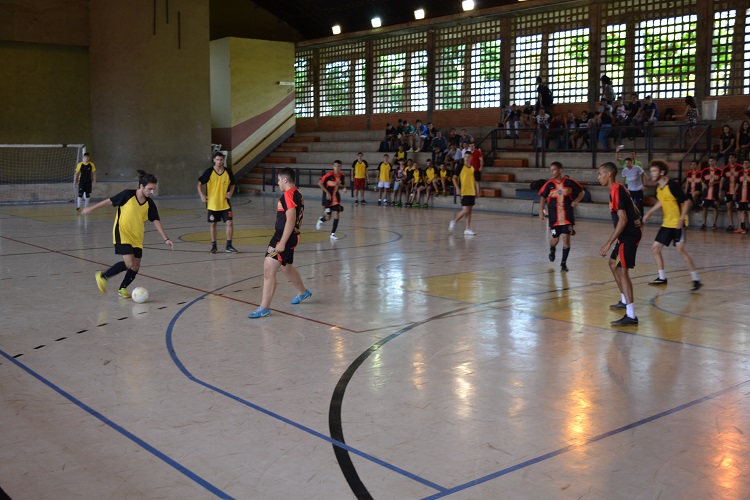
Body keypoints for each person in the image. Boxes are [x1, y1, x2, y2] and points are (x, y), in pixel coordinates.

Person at [82, 170, 174, 298]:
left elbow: (156, 220)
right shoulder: (127, 195)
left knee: (136, 266)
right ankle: (103, 276)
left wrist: (166, 238)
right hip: (122, 232)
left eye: (153, 189)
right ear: (141, 186)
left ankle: (122, 288)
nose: (152, 192)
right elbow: (109, 201)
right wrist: (91, 208)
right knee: (129, 263)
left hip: (137, 237)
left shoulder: (149, 203)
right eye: (150, 189)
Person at [249, 167, 310, 318]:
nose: (278, 183)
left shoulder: (288, 195)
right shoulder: (298, 193)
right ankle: (303, 292)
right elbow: (298, 219)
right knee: (286, 267)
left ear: (285, 180)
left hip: (283, 237)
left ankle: (264, 308)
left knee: (268, 270)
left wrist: (282, 242)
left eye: (278, 180)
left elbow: (291, 218)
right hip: (293, 235)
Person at [642, 160, 702, 291]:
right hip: (667, 223)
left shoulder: (672, 185)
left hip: (678, 223)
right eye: (651, 171)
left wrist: (681, 219)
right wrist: (649, 213)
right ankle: (662, 277)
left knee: (680, 250)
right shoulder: (659, 188)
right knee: (655, 249)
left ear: (662, 172)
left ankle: (696, 279)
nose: (651, 173)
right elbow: (661, 202)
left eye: (654, 171)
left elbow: (687, 202)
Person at [597, 162, 642, 326]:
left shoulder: (616, 189)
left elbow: (623, 220)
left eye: (600, 173)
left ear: (609, 174)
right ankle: (624, 300)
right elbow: (634, 208)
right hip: (627, 234)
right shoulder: (620, 188)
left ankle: (631, 315)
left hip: (628, 235)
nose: (598, 177)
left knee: (623, 271)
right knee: (612, 264)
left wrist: (608, 243)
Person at [538, 162, 585, 272]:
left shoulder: (570, 182)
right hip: (554, 219)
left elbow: (582, 192)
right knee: (555, 239)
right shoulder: (549, 184)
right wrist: (541, 211)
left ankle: (563, 264)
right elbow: (542, 198)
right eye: (551, 170)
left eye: (554, 170)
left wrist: (576, 201)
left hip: (567, 217)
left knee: (566, 239)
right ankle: (552, 248)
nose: (552, 172)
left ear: (560, 170)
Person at [197, 151, 237, 253]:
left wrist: (230, 192)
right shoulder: (209, 171)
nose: (219, 162)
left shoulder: (228, 172)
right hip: (213, 204)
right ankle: (214, 246)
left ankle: (229, 245)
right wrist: (202, 195)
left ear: (223, 160)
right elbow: (199, 184)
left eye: (221, 160)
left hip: (225, 204)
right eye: (217, 160)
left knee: (229, 222)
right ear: (214, 160)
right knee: (213, 224)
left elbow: (233, 184)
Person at [316, 160, 346, 240]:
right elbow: (320, 183)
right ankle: (321, 219)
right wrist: (327, 192)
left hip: (336, 197)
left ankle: (332, 234)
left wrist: (344, 188)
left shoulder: (342, 176)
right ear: (333, 167)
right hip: (327, 198)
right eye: (335, 166)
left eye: (338, 166)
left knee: (337, 214)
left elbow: (342, 184)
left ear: (341, 167)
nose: (337, 168)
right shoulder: (329, 175)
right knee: (328, 217)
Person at [448, 152, 477, 236]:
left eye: (468, 157)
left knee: (470, 211)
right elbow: (454, 178)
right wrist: (457, 188)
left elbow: (473, 180)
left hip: (471, 191)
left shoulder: (472, 168)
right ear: (463, 158)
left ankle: (467, 229)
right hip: (464, 191)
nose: (467, 158)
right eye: (465, 157)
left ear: (471, 158)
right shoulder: (460, 167)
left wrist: (476, 189)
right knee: (466, 209)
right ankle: (454, 221)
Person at [617, 147, 646, 216]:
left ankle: (640, 216)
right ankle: (631, 216)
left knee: (639, 203)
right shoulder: (624, 170)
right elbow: (623, 179)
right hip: (629, 187)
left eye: (633, 154)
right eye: (626, 163)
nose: (627, 164)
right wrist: (623, 187)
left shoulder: (638, 166)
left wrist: (644, 185)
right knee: (629, 203)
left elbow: (643, 175)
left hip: (638, 187)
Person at [721, 152, 742, 231]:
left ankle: (740, 225)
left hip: (737, 192)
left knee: (738, 208)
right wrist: (720, 191)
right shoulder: (725, 168)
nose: (730, 159)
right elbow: (722, 180)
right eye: (729, 158)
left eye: (732, 158)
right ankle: (731, 224)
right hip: (728, 191)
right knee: (728, 207)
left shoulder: (740, 168)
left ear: (735, 159)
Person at [700, 158, 722, 230]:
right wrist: (703, 184)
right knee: (704, 207)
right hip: (706, 192)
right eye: (709, 161)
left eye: (712, 161)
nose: (710, 162)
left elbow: (722, 181)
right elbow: (701, 179)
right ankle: (704, 223)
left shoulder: (719, 171)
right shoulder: (705, 170)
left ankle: (714, 224)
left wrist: (715, 182)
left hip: (714, 192)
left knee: (715, 208)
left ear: (715, 161)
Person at [734, 159, 750, 233]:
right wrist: (734, 192)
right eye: (744, 163)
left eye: (747, 163)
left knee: (749, 211)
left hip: (748, 195)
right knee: (742, 211)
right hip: (741, 195)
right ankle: (742, 228)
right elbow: (737, 183)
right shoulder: (740, 173)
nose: (745, 164)